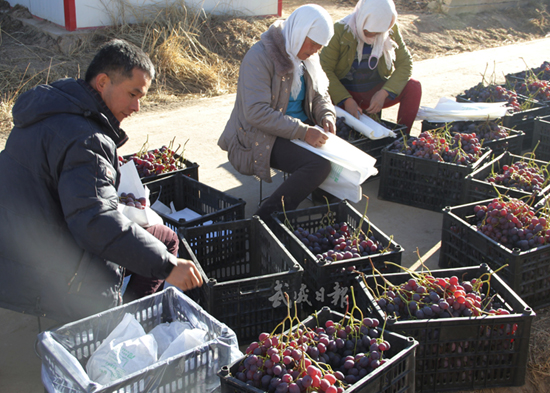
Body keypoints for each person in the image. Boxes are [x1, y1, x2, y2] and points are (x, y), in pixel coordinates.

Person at [0, 39, 203, 323]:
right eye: (133, 94)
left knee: (160, 237)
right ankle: (124, 324)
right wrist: (167, 267)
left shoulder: (50, 109)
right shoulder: (87, 138)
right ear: (103, 81)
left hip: (17, 251)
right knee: (165, 245)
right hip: (52, 266)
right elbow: (93, 221)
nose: (137, 107)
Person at [218, 4, 337, 224]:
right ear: (299, 32)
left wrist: (326, 115)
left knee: (339, 151)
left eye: (320, 46)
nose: (315, 50)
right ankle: (265, 219)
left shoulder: (307, 57)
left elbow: (320, 94)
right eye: (313, 43)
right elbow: (256, 112)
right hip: (261, 135)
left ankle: (321, 200)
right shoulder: (260, 57)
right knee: (317, 165)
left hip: (299, 129)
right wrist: (302, 131)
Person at [320, 0, 422, 133]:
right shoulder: (341, 30)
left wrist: (384, 93)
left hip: (374, 93)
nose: (373, 36)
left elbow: (405, 63)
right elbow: (324, 69)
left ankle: (402, 136)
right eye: (369, 31)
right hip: (346, 94)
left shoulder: (390, 29)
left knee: (413, 86)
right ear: (362, 19)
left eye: (379, 32)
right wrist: (346, 99)